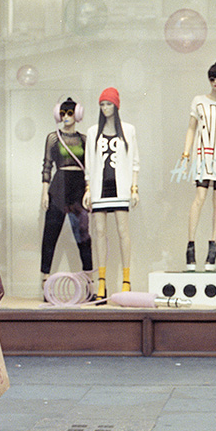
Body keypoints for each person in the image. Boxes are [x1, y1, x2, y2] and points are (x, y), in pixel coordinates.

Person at [179, 58, 216, 271]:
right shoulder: (199, 101)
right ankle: (191, 245)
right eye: (212, 78)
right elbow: (191, 128)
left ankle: (213, 250)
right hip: (203, 154)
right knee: (200, 197)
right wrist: (186, 155)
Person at [85, 87, 139, 300]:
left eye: (108, 104)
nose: (105, 108)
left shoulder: (128, 130)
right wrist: (88, 189)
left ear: (116, 106)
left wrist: (134, 188)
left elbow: (135, 161)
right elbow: (89, 164)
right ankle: (102, 283)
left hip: (121, 188)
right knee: (99, 232)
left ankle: (126, 280)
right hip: (100, 189)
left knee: (123, 231)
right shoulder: (92, 132)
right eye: (102, 104)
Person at [40, 97, 92, 294]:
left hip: (78, 188)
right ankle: (45, 282)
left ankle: (89, 283)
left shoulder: (84, 139)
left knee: (84, 236)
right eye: (63, 113)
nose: (66, 117)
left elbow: (89, 167)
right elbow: (47, 165)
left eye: (70, 113)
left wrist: (88, 190)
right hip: (59, 187)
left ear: (77, 114)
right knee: (50, 235)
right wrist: (44, 192)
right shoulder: (53, 138)